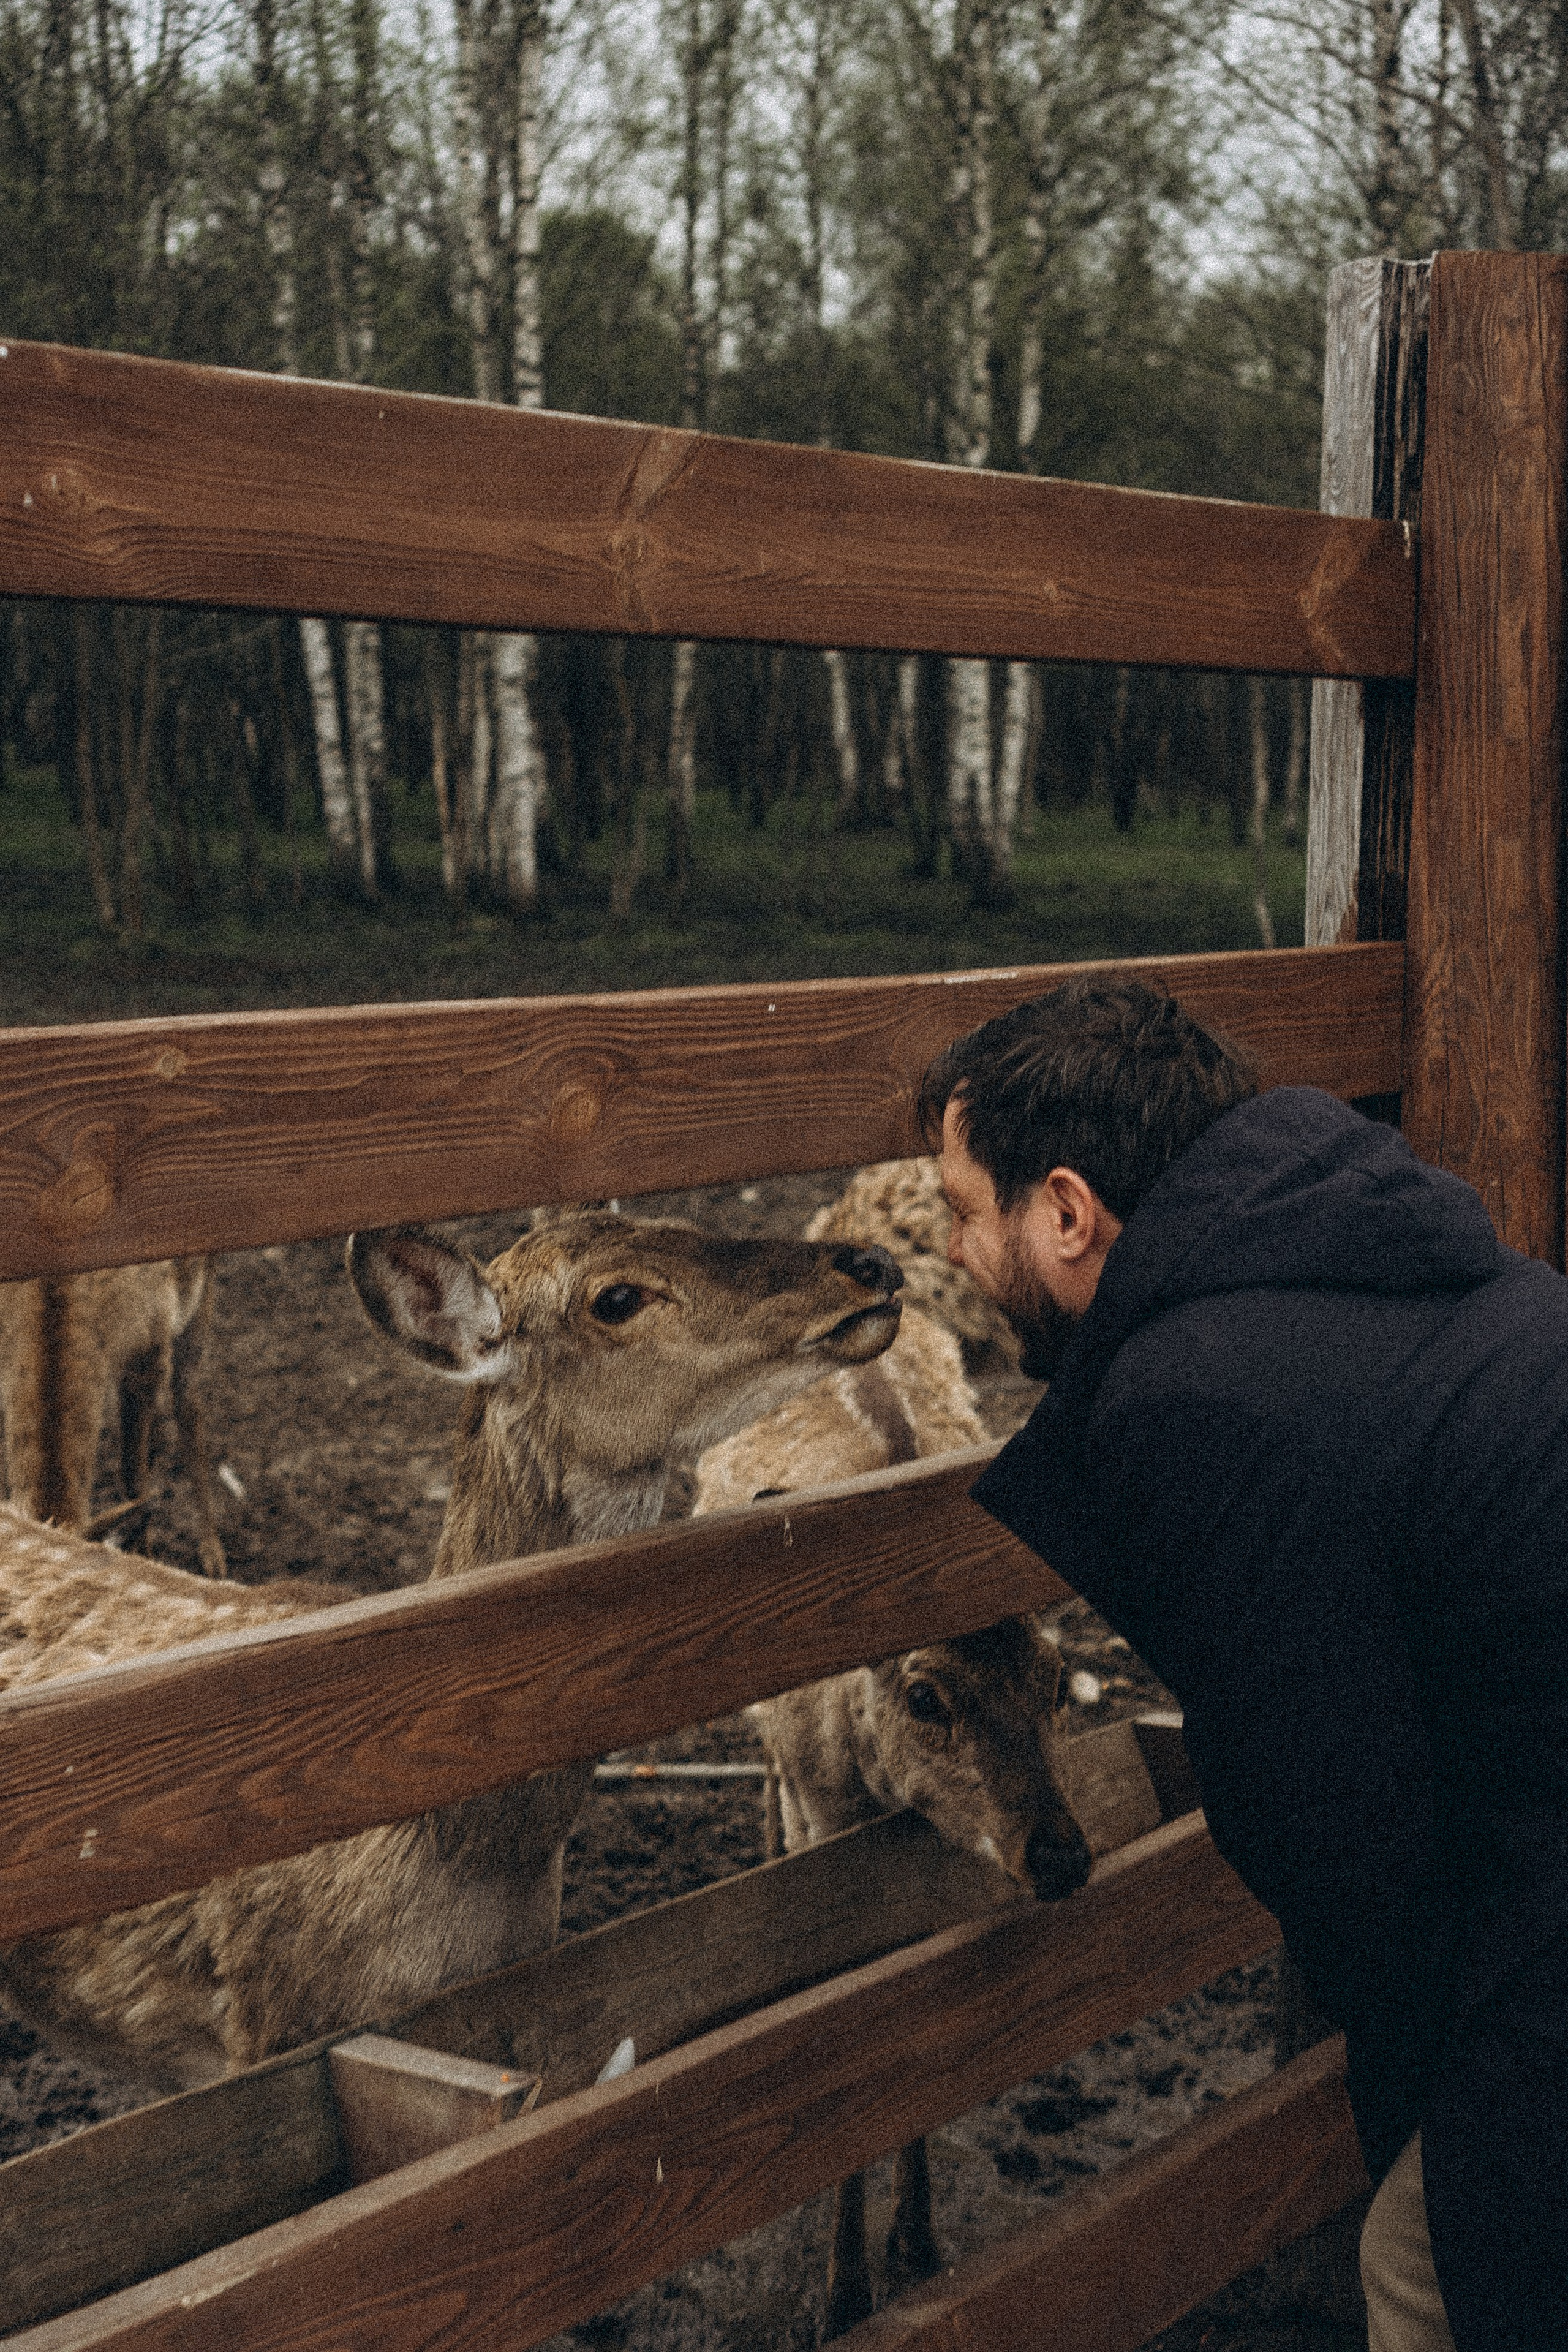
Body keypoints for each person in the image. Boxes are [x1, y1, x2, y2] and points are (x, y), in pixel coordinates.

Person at [919, 975, 1568, 2352]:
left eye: (963, 1210)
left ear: (1067, 1211)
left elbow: (1333, 1817)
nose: (952, 1252)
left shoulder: (1201, 1397)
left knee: (1439, 2265)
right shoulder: (1369, 1249)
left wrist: (1443, 2078)